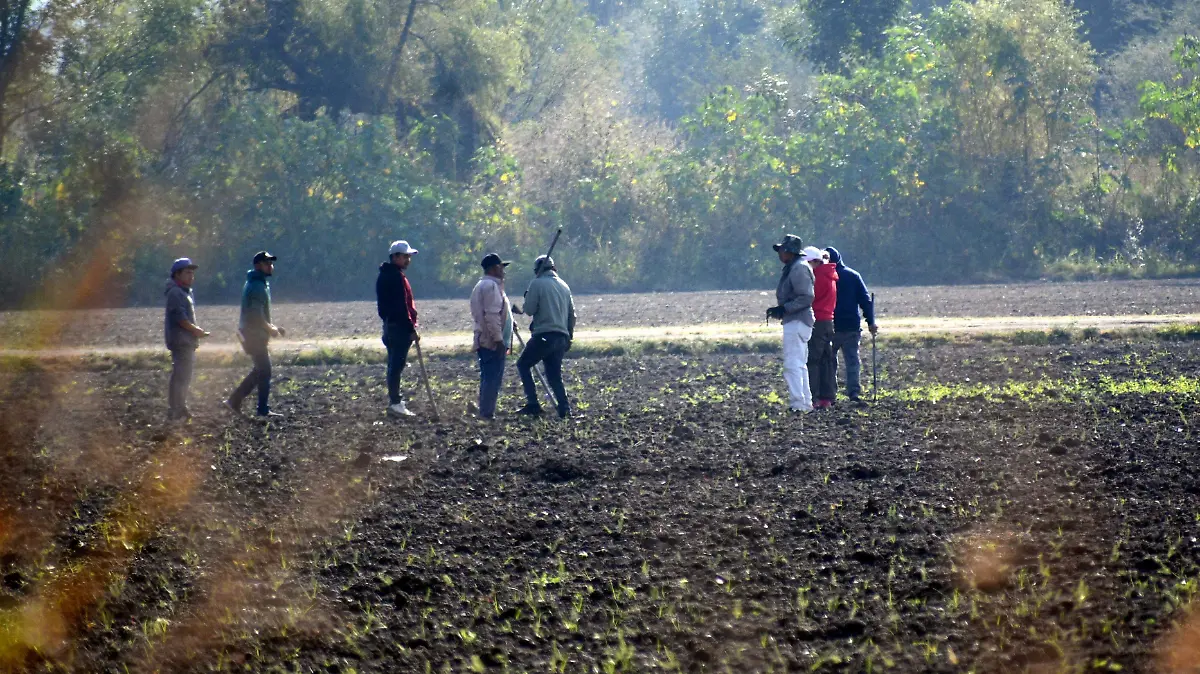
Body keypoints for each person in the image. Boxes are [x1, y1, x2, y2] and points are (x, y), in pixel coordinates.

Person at [226, 251, 285, 419]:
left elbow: (259, 314)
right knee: (265, 370)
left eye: (271, 263)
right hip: (254, 335)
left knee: (260, 371)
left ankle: (234, 401)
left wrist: (272, 327)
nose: (271, 266)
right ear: (258, 265)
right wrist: (270, 329)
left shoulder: (256, 283)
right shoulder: (257, 286)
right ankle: (262, 410)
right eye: (267, 263)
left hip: (252, 334)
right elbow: (256, 315)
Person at [515, 255, 575, 418]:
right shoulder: (564, 286)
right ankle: (564, 408)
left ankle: (533, 403)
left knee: (523, 364)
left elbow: (529, 310)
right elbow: (572, 315)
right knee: (554, 374)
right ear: (553, 268)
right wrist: (569, 336)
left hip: (544, 335)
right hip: (561, 337)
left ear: (537, 270)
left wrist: (528, 296)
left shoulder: (536, 283)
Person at [765, 235, 815, 413]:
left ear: (791, 251)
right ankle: (805, 402)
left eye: (783, 250)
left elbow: (806, 297)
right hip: (799, 320)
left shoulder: (798, 268)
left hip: (797, 320)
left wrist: (785, 309)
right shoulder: (795, 266)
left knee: (792, 364)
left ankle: (798, 404)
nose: (780, 253)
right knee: (799, 364)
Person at [825, 247, 878, 404]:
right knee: (852, 361)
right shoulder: (853, 276)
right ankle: (853, 392)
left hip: (830, 325)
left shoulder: (824, 276)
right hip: (851, 326)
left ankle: (830, 393)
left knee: (829, 361)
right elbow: (865, 301)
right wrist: (871, 321)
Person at [376, 240, 421, 417]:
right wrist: (410, 328)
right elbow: (401, 306)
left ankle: (396, 401)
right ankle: (395, 402)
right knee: (396, 365)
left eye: (409, 256)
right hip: (399, 328)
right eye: (405, 256)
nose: (408, 260)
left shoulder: (386, 275)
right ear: (395, 257)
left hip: (390, 326)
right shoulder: (394, 277)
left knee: (395, 364)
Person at [470, 253, 515, 420]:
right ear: (494, 268)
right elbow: (491, 315)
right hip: (491, 341)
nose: (503, 270)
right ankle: (486, 413)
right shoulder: (490, 287)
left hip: (486, 339)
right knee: (492, 378)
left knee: (489, 377)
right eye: (501, 267)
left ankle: (485, 410)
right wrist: (499, 340)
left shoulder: (486, 285)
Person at [164, 257, 209, 421]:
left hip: (185, 341)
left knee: (184, 376)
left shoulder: (183, 292)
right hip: (181, 341)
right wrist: (196, 331)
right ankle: (175, 409)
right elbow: (180, 318)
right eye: (188, 273)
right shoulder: (175, 293)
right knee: (181, 376)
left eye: (192, 273)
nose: (191, 276)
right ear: (177, 275)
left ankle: (180, 407)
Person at [804, 246, 838, 408]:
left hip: (817, 321)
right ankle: (828, 397)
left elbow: (810, 298)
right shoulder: (831, 276)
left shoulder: (817, 277)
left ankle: (814, 396)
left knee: (813, 360)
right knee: (827, 361)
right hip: (828, 321)